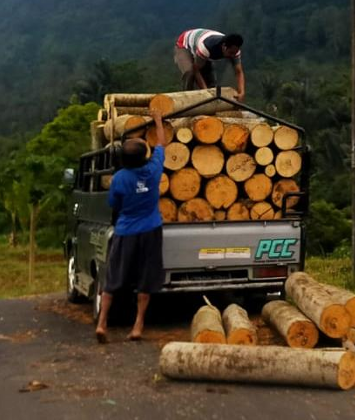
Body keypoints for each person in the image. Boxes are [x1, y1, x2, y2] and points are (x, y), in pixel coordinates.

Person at [95, 110, 166, 343]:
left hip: (126, 231)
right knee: (145, 279)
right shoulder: (153, 171)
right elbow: (162, 144)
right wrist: (157, 121)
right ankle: (138, 325)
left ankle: (103, 322)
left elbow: (113, 203)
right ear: (144, 156)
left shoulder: (119, 178)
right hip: (150, 230)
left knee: (113, 278)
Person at [174, 28, 246, 101]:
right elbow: (196, 70)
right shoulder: (207, 47)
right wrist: (206, 92)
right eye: (230, 53)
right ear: (224, 47)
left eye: (235, 52)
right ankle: (187, 99)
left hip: (202, 48)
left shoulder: (235, 51)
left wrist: (241, 92)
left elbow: (238, 72)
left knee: (211, 85)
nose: (233, 55)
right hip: (184, 44)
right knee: (189, 72)